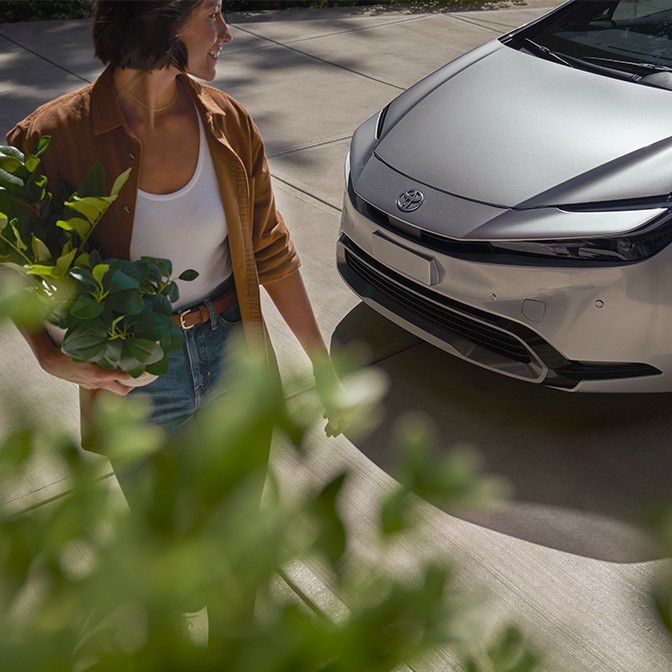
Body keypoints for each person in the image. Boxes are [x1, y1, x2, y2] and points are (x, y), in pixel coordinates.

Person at [6, 0, 347, 647]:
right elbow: (12, 259)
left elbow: (270, 247)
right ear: (161, 22)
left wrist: (324, 369)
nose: (227, 32)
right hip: (138, 380)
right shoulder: (50, 138)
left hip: (233, 359)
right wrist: (47, 354)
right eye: (212, 14)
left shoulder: (230, 122)